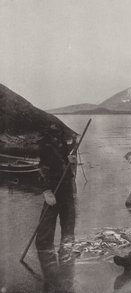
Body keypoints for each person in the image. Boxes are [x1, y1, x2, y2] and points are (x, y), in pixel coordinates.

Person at [35, 123, 77, 293]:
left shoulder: (63, 144)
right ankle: (45, 255)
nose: (57, 138)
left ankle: (66, 247)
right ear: (49, 135)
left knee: (68, 221)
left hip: (66, 187)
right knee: (46, 227)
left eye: (58, 134)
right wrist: (46, 190)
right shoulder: (44, 147)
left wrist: (71, 161)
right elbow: (42, 169)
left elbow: (68, 161)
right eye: (54, 135)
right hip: (53, 188)